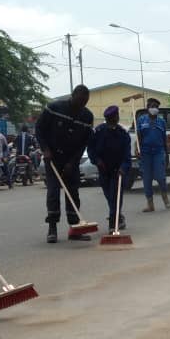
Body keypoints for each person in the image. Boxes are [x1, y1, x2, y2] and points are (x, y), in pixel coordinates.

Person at [35, 84, 94, 243]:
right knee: (53, 192)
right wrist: (45, 149)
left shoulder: (87, 117)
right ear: (72, 96)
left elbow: (84, 143)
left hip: (71, 160)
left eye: (85, 102)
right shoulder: (54, 107)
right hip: (52, 157)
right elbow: (39, 129)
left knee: (73, 193)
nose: (82, 105)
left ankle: (75, 230)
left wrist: (73, 162)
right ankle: (52, 228)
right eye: (80, 101)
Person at [88, 106, 131, 231]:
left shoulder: (122, 134)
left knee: (115, 196)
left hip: (118, 171)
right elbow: (91, 150)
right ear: (108, 119)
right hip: (104, 171)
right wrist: (96, 160)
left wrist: (124, 167)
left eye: (116, 116)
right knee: (110, 196)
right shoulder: (98, 132)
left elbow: (127, 155)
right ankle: (118, 216)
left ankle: (113, 223)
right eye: (113, 117)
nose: (116, 118)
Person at [136, 97, 170, 212]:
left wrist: (167, 155)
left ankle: (165, 197)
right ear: (147, 108)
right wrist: (137, 149)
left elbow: (164, 139)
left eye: (156, 107)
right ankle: (150, 203)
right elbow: (138, 137)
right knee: (147, 178)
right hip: (145, 152)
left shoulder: (161, 122)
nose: (154, 108)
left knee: (161, 177)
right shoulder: (141, 120)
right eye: (152, 106)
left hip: (158, 152)